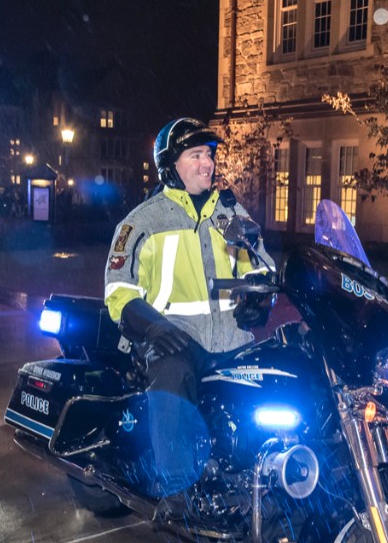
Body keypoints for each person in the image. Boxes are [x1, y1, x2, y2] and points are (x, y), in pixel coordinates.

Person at [104, 118, 272, 519]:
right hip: (172, 341)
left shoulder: (231, 214)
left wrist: (259, 298)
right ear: (169, 166)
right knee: (173, 377)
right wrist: (154, 327)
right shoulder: (141, 221)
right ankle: (177, 485)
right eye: (195, 155)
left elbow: (262, 266)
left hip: (232, 341)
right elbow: (118, 289)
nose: (207, 163)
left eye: (209, 155)